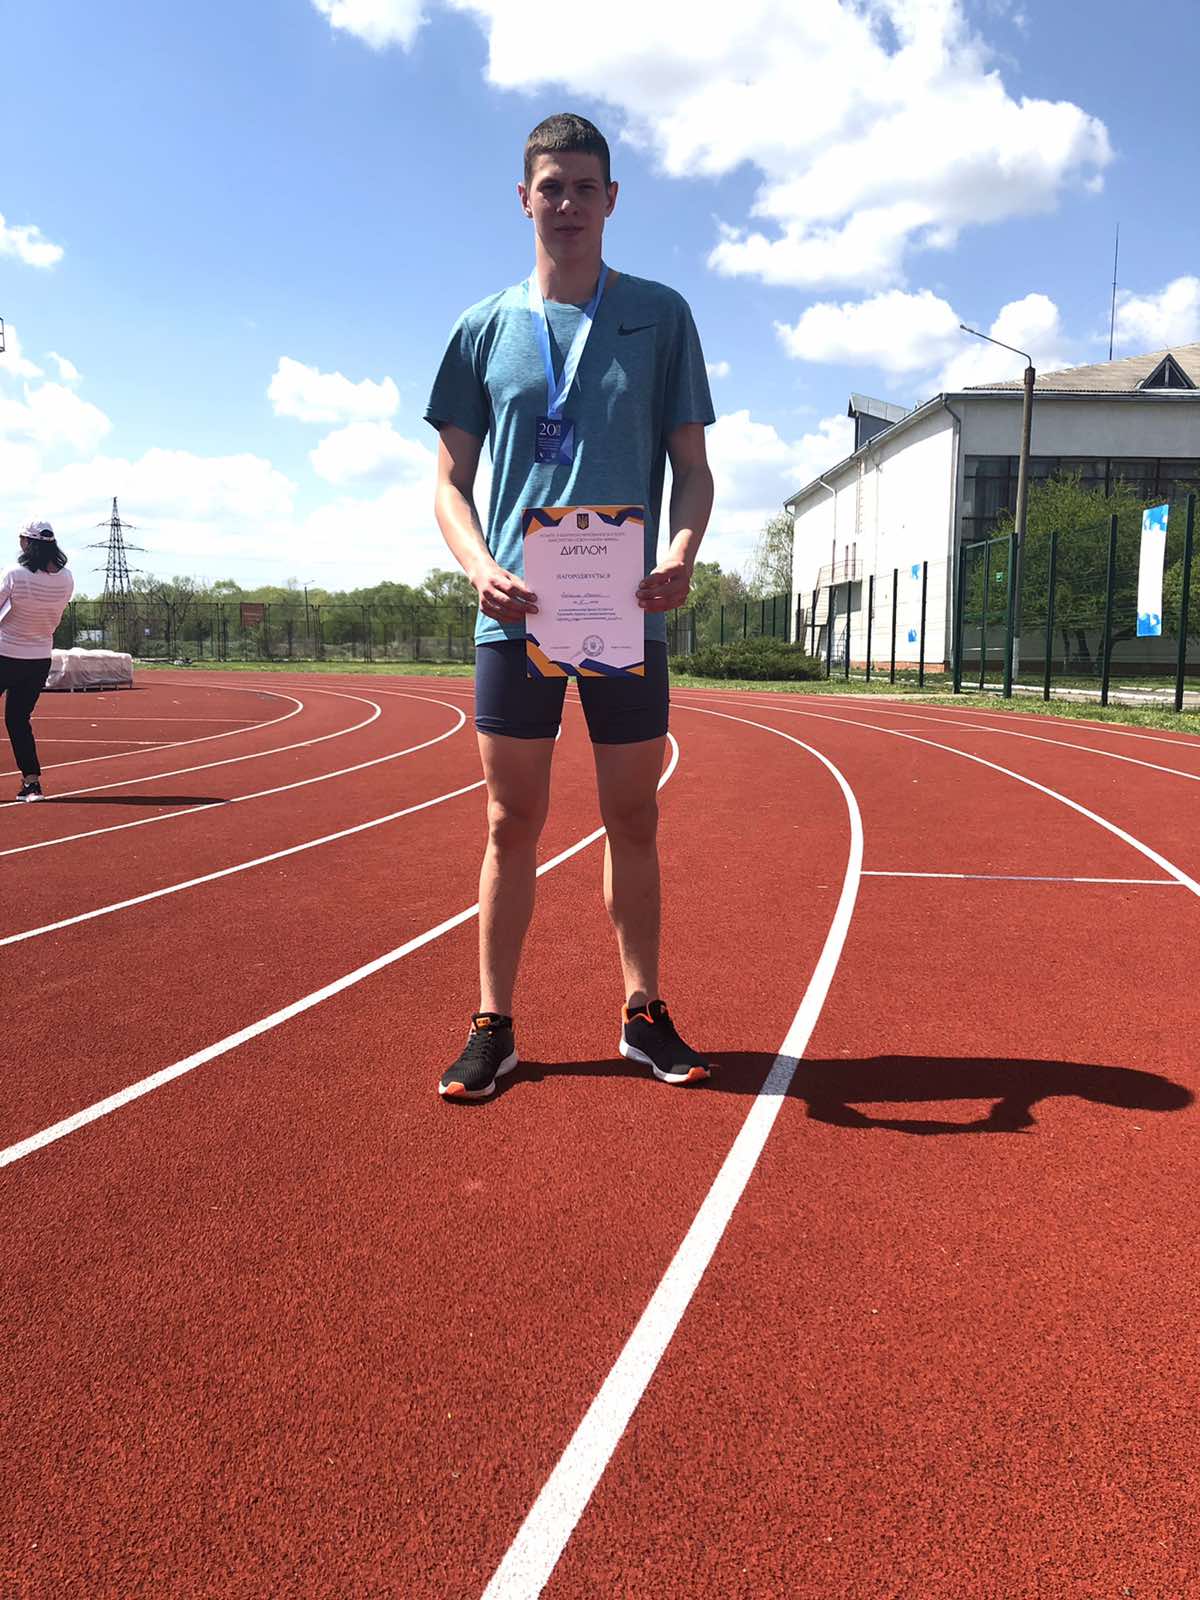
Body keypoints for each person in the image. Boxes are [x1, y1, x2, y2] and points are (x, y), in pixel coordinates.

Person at [425, 111, 716, 1100]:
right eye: (551, 187)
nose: (568, 204)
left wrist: (681, 550)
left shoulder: (662, 316)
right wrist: (477, 566)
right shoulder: (482, 328)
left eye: (586, 188)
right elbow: (448, 483)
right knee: (511, 820)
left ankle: (643, 1012)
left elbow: (693, 469)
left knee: (633, 814)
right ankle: (493, 1024)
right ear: (524, 199)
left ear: (612, 200)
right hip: (516, 612)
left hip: (627, 607)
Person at [0, 521, 75, 801]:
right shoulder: (66, 578)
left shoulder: (14, 574)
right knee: (19, 720)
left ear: (27, 543)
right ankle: (31, 783)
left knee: (18, 719)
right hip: (39, 657)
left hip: (5, 653)